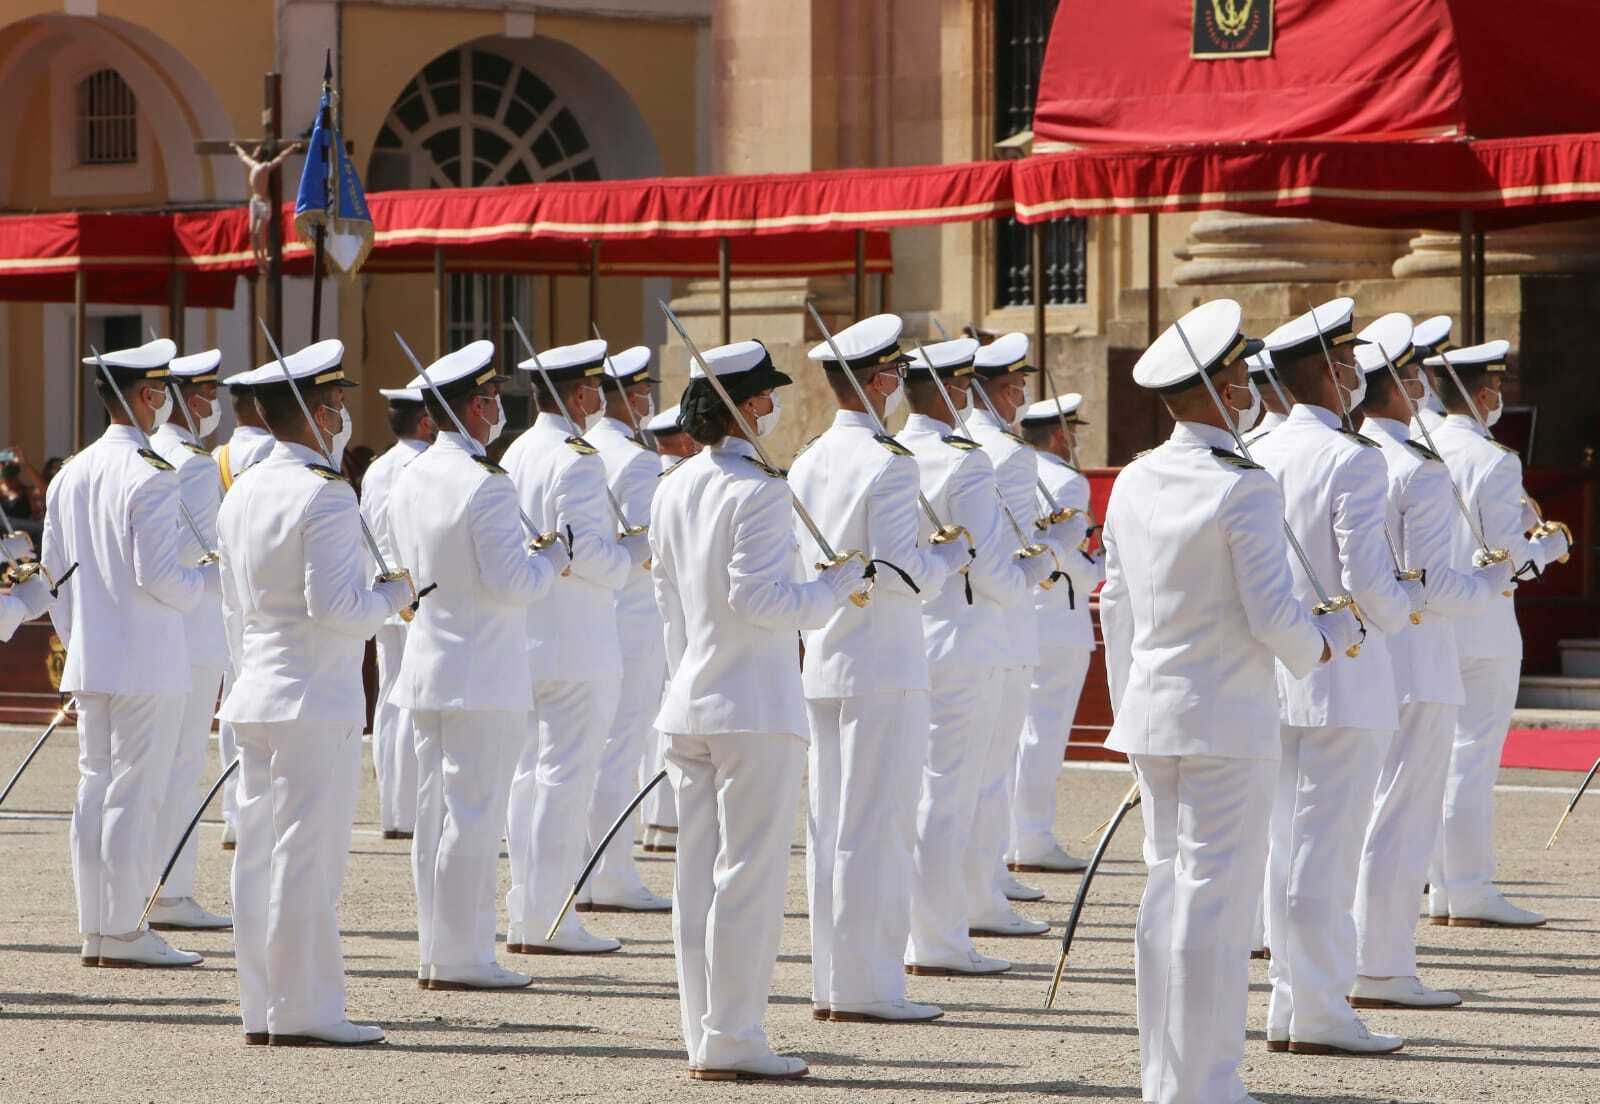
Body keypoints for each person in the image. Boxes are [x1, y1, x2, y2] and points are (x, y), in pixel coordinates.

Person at [1102, 298, 1358, 1104]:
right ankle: (1205, 1081)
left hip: (1155, 714)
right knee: (1214, 900)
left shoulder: (1136, 477)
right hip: (1226, 715)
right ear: (1216, 389)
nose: (1251, 385)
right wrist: (1329, 642)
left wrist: (1127, 705)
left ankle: (1165, 1077)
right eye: (1240, 375)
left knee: (1168, 893)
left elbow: (1115, 607)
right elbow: (1271, 613)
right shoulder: (1242, 485)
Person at [651, 338, 866, 1081]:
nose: (774, 407)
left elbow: (669, 606)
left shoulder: (674, 485)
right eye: (766, 397)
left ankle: (706, 1032)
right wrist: (836, 587)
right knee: (747, 877)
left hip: (692, 699)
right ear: (746, 408)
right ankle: (734, 1034)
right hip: (751, 706)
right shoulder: (761, 490)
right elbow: (764, 601)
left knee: (698, 877)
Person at [216, 339, 413, 1047]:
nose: (342, 416)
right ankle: (306, 1010)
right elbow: (337, 606)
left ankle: (262, 1006)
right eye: (334, 405)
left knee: (262, 853)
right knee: (308, 854)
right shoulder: (325, 494)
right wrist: (392, 595)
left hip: (259, 689)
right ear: (311, 412)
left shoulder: (244, 490)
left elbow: (235, 605)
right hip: (312, 694)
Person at [1251, 297, 1420, 1057]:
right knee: (1327, 849)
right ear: (1326, 372)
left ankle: (1292, 1004)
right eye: (1347, 362)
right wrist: (1411, 603)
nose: (1357, 373)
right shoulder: (1352, 457)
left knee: (1288, 846)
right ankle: (1317, 1008)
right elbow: (1371, 585)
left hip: (1278, 671)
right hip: (1345, 673)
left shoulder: (1257, 449)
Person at [792, 314, 967, 1024]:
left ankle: (835, 982)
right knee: (879, 823)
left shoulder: (808, 456)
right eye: (894, 374)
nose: (899, 386)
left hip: (829, 656)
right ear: (877, 381)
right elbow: (901, 569)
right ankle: (869, 987)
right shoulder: (889, 461)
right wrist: (949, 558)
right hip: (884, 660)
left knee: (833, 824)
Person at [387, 341, 567, 991]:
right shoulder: (486, 483)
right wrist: (553, 559)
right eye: (492, 401)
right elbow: (510, 581)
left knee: (435, 818)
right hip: (482, 670)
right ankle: (462, 956)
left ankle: (438, 948)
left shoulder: (412, 474)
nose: (497, 411)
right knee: (471, 817)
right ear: (477, 407)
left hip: (431, 663)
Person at [1349, 314, 1511, 1008]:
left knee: (1359, 818)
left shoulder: (1354, 450)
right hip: (1418, 654)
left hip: (1369, 656)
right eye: (1412, 376)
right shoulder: (1414, 463)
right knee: (1400, 820)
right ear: (1403, 383)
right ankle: (1381, 967)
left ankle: (1346, 968)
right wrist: (1488, 581)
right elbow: (1434, 580)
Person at [41, 338, 216, 968]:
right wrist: (208, 580)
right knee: (133, 791)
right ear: (145, 396)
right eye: (162, 391)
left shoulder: (71, 473)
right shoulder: (149, 472)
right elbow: (161, 575)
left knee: (97, 787)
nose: (165, 402)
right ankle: (121, 928)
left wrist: (80, 631)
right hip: (148, 656)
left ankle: (99, 925)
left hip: (95, 653)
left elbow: (54, 577)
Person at [899, 336, 1064, 978]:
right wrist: (1041, 566)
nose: (1019, 395)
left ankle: (954, 912)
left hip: (918, 636)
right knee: (959, 790)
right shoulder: (990, 457)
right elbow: (994, 564)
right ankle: (942, 933)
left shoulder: (899, 449)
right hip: (974, 638)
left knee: (934, 789)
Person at [501, 338, 648, 955]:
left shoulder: (517, 449)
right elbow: (588, 554)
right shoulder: (577, 458)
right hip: (578, 640)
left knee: (530, 776)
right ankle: (549, 915)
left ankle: (527, 907)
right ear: (582, 394)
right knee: (563, 777)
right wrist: (633, 556)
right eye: (593, 387)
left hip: (529, 633)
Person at [1424, 339, 1568, 927]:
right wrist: (1557, 545)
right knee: (1471, 759)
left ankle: (1440, 886)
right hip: (1483, 620)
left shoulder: (1419, 445)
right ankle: (1468, 888)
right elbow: (1515, 555)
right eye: (1498, 388)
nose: (1500, 397)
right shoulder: (1495, 459)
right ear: (1483, 395)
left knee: (1429, 758)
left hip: (1430, 621)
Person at [580, 346, 672, 913]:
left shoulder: (585, 449)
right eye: (644, 394)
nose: (649, 403)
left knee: (594, 750)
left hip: (594, 615)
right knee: (621, 749)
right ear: (631, 398)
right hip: (632, 616)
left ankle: (591, 867)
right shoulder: (637, 461)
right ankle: (610, 873)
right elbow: (645, 547)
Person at [145, 348, 232, 933]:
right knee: (179, 768)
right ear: (185, 400)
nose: (213, 403)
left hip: (158, 631)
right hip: (194, 629)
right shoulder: (195, 466)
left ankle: (152, 884)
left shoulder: (154, 454)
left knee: (157, 766)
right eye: (206, 393)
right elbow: (190, 555)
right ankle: (171, 892)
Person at [1008, 391, 1102, 875]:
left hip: (1020, 613)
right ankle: (1033, 837)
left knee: (1016, 733)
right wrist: (1102, 560)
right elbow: (1070, 561)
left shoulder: (1011, 473)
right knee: (1043, 734)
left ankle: (1012, 836)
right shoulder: (1067, 482)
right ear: (1061, 435)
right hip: (1059, 619)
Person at [360, 384, 437, 840]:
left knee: (390, 704)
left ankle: (394, 810)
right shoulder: (423, 466)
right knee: (412, 703)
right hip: (417, 596)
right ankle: (409, 812)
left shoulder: (378, 468)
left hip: (385, 596)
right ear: (426, 422)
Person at [212, 368, 277, 849]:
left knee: (235, 700)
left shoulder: (219, 455)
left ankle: (234, 809)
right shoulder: (267, 453)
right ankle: (252, 807)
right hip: (264, 589)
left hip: (229, 589)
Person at [636, 400, 697, 851]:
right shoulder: (672, 481)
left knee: (658, 716)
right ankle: (664, 820)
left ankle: (660, 821)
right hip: (653, 614)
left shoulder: (663, 477)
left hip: (652, 611)